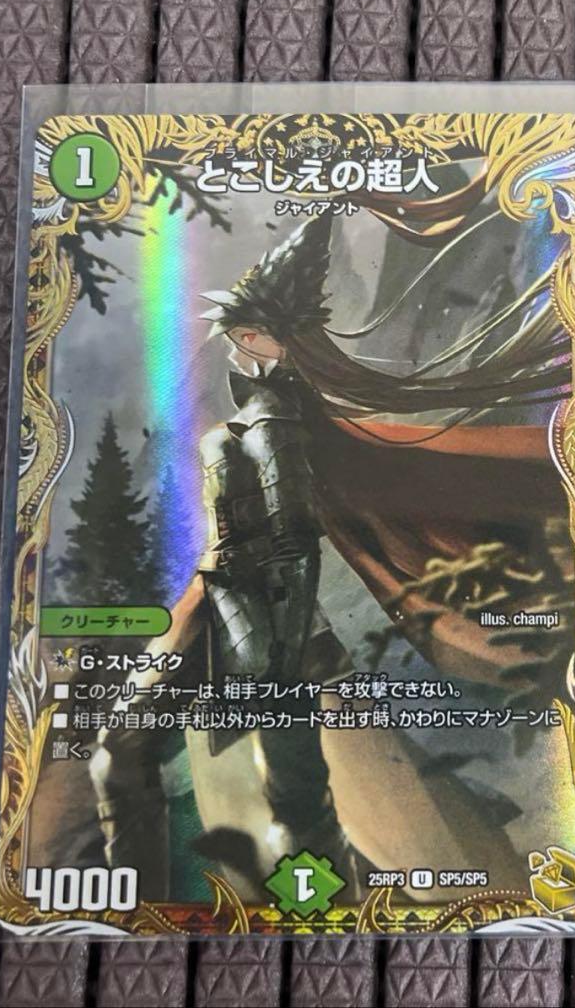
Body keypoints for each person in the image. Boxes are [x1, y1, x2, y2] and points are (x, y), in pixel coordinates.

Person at [90, 218, 366, 901]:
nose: (240, 339)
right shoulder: (250, 412)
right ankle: (140, 913)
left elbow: (296, 543)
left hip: (266, 620)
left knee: (295, 793)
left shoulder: (272, 422)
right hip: (218, 601)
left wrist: (283, 654)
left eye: (254, 331)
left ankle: (322, 916)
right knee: (125, 751)